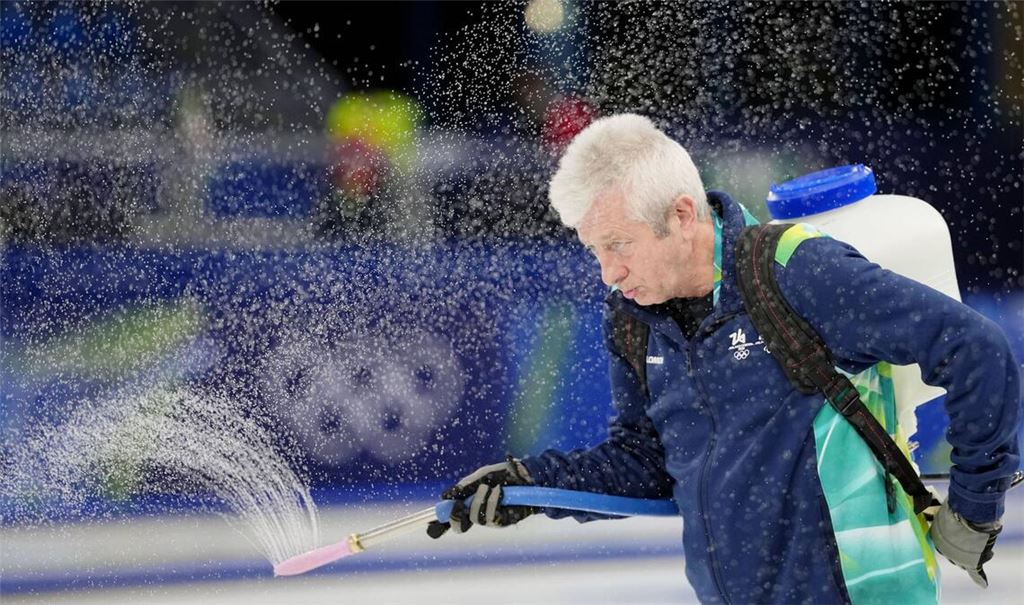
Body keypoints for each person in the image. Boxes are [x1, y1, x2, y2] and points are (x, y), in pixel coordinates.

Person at [427, 114, 1021, 604]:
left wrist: (975, 509)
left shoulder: (790, 272)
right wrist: (531, 486)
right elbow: (648, 464)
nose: (609, 272)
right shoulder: (634, 319)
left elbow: (978, 351)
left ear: (682, 216)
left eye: (618, 245)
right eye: (594, 250)